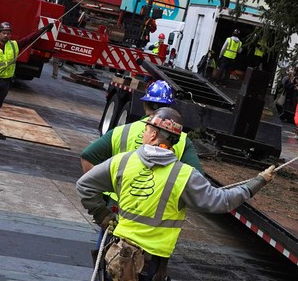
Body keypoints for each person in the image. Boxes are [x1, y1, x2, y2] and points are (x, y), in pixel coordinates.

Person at [77, 108, 276, 281]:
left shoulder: (122, 161)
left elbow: (84, 185)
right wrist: (258, 181)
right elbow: (221, 201)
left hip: (117, 256)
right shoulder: (184, 175)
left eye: (146, 130)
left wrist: (101, 214)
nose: (144, 134)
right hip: (150, 263)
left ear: (154, 136)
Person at [80, 80, 203, 173]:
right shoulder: (182, 140)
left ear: (144, 104)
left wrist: (99, 194)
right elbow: (197, 178)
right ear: (169, 107)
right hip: (156, 204)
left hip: (117, 204)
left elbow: (87, 156)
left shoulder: (123, 131)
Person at [0, 21, 52, 139]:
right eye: (4, 33)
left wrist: (43, 30)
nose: (6, 35)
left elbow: (29, 39)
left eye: (8, 33)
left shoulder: (14, 45)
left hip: (6, 81)